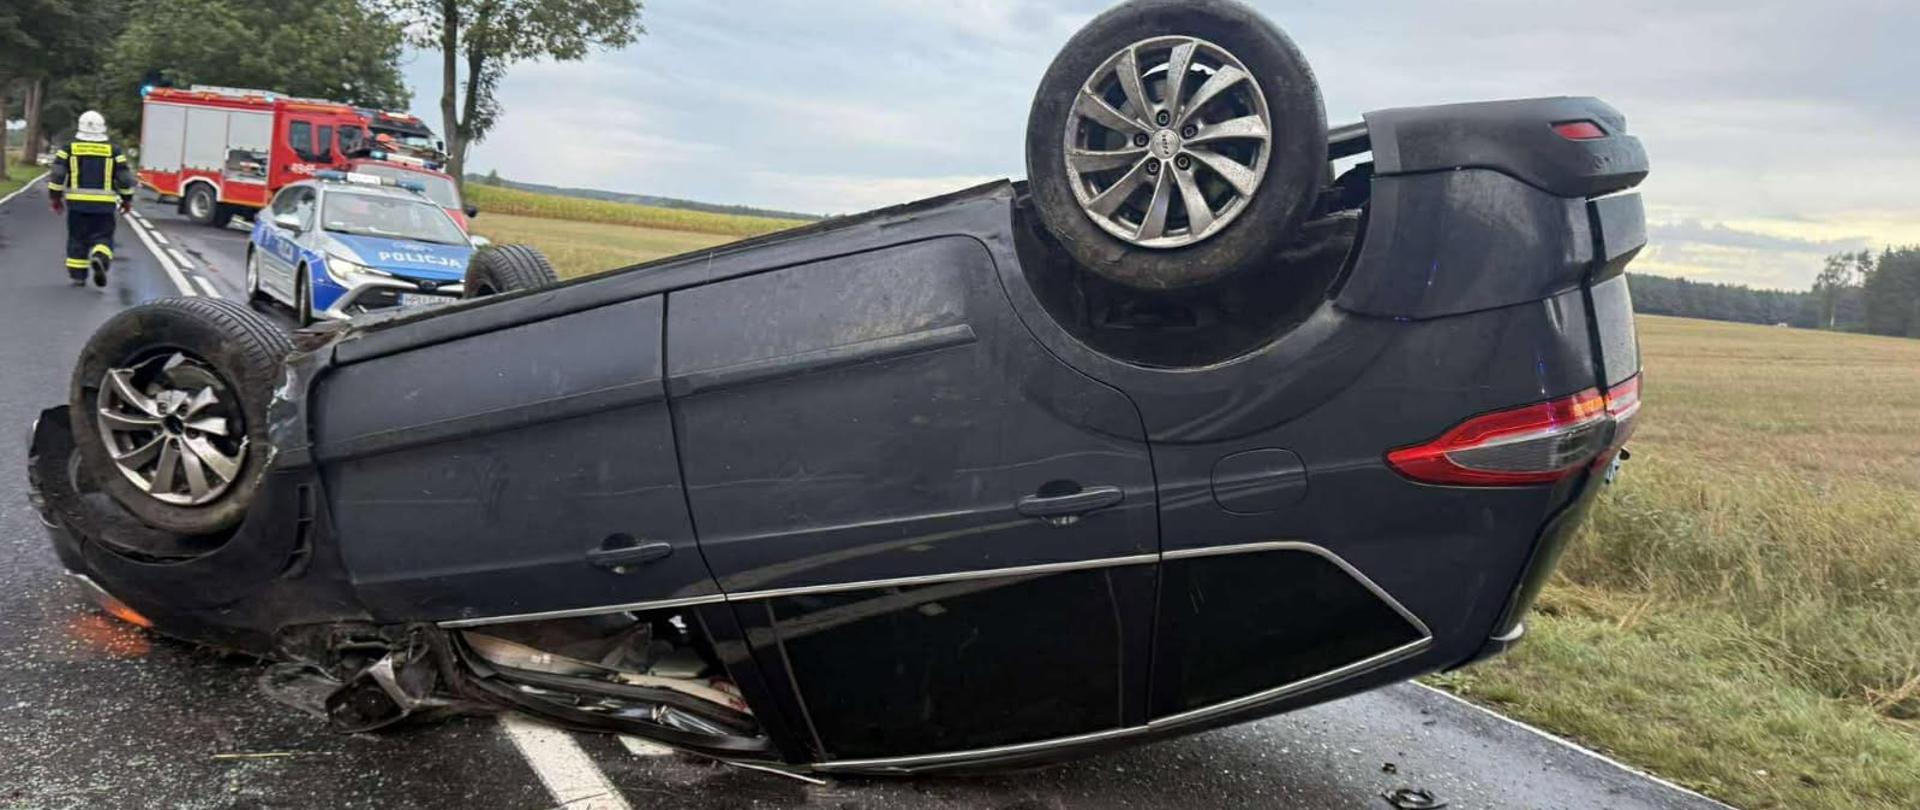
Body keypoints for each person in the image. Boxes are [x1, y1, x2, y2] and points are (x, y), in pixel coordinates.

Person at [47, 111, 136, 287]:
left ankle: (78, 276)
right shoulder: (114, 151)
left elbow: (57, 176)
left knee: (77, 239)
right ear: (102, 128)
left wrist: (55, 198)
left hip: (77, 205)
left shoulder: (68, 149)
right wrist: (127, 199)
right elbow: (124, 179)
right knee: (104, 237)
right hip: (104, 206)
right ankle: (100, 256)